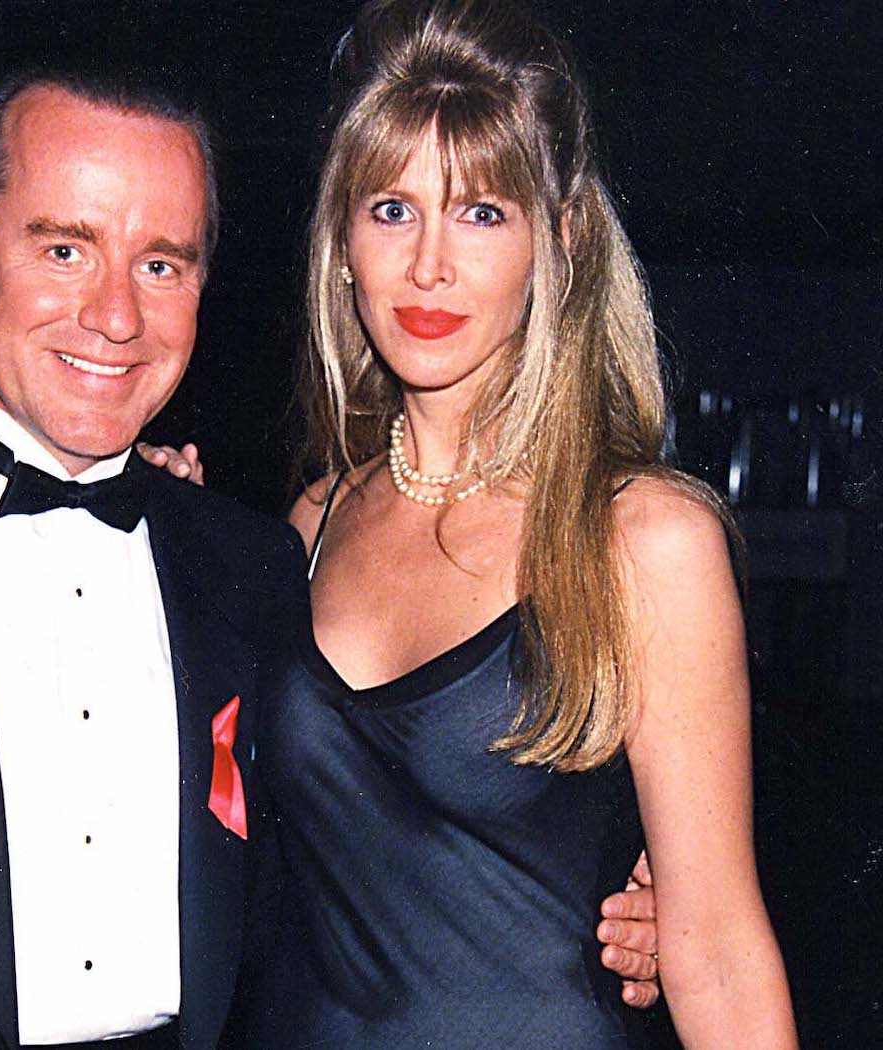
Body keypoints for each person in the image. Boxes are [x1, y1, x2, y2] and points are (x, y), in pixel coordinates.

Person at [0, 61, 658, 1050]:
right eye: (64, 249)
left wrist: (626, 896)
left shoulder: (246, 563)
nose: (114, 316)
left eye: (160, 264)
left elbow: (348, 858)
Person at [234, 0, 799, 1046]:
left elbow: (716, 948)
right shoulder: (311, 523)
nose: (428, 266)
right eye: (391, 209)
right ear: (341, 240)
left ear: (560, 240)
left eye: (482, 212)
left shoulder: (643, 542)